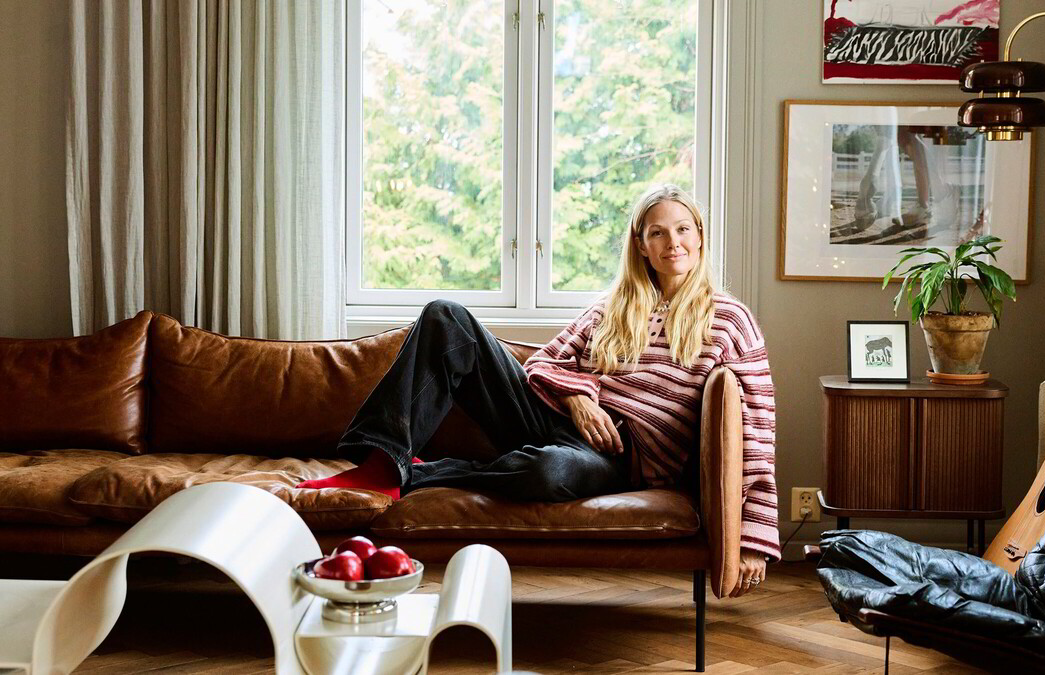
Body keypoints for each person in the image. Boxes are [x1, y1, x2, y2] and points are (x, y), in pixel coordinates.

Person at [299, 184, 779, 595]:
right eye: (658, 232)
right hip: (555, 418)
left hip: (617, 458)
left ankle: (412, 475)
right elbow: (545, 362)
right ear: (641, 245)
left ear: (700, 236)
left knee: (547, 471)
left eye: (683, 229)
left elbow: (756, 432)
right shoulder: (612, 307)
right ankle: (382, 463)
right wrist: (578, 398)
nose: (673, 242)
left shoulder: (729, 320)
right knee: (446, 317)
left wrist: (753, 540)